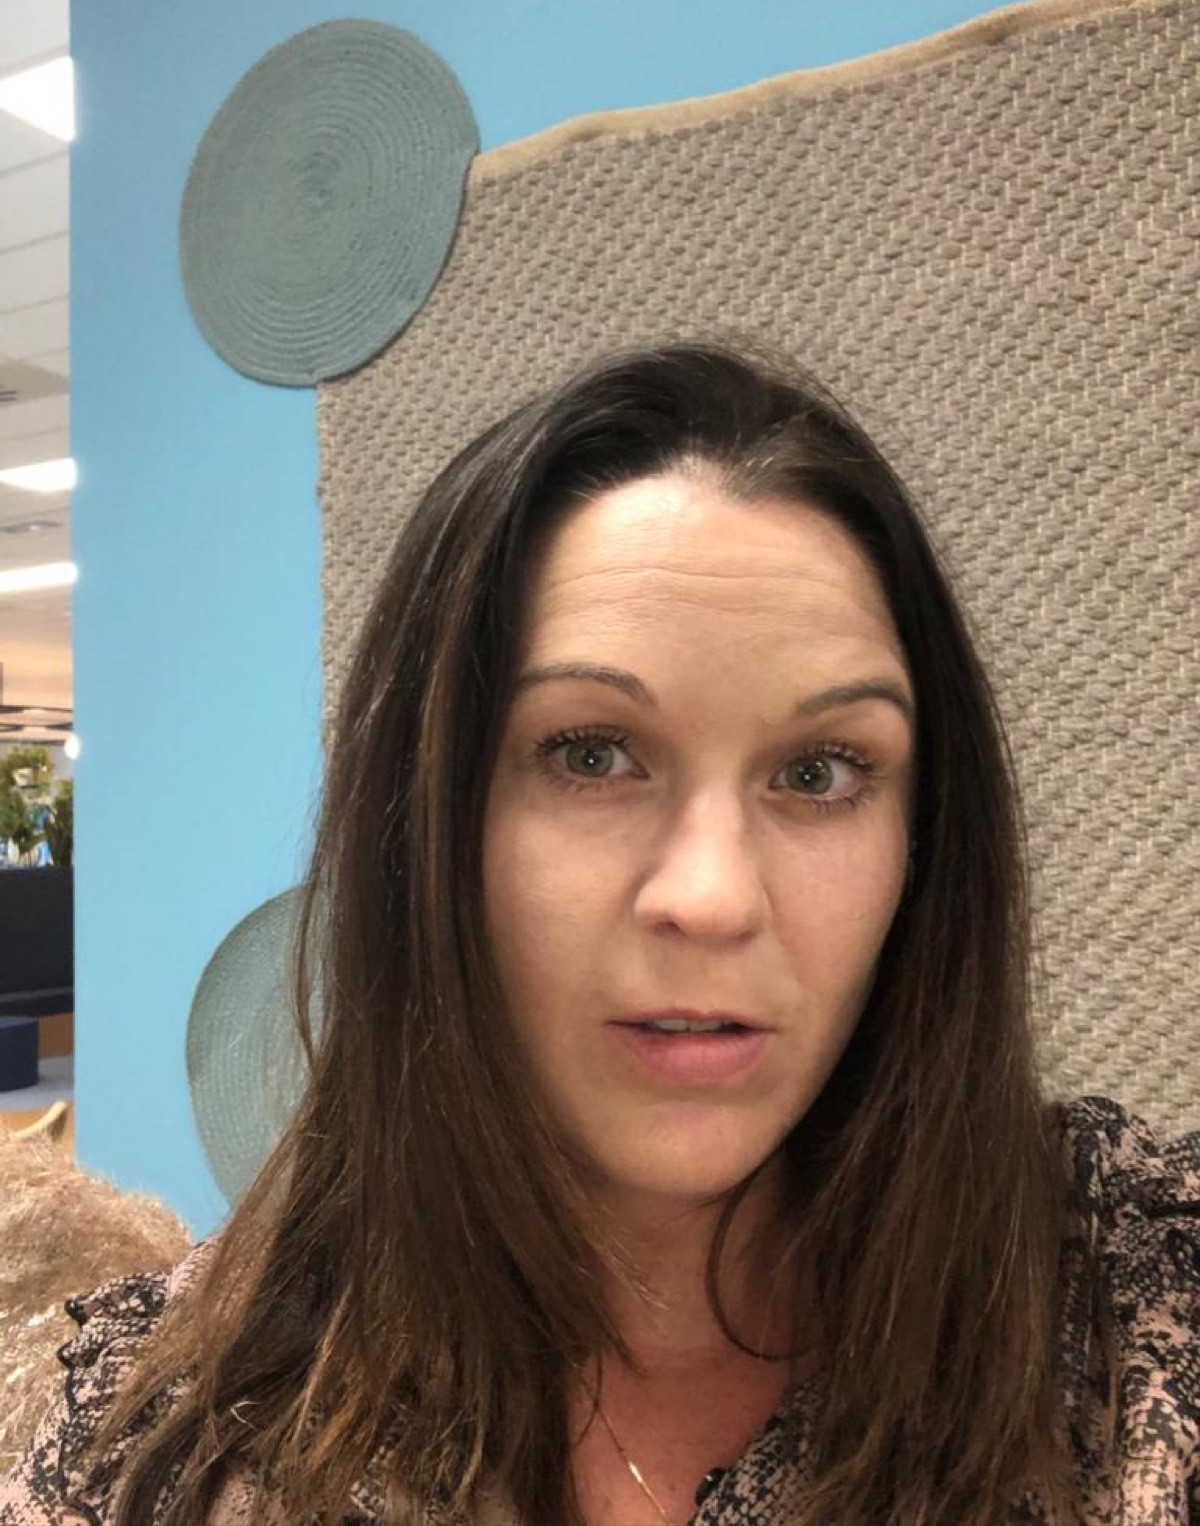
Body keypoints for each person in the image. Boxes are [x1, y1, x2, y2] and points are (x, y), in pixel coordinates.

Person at [2, 338, 1198, 1526]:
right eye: (589, 753)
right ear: (432, 826)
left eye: (821, 770)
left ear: (924, 841)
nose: (712, 897)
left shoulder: (1134, 1307)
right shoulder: (179, 1431)